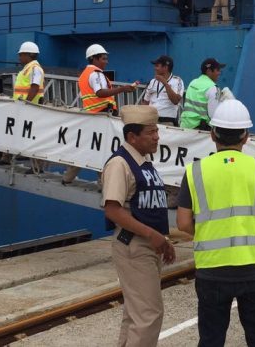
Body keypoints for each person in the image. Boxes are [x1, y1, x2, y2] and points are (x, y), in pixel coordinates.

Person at [176, 100, 255, 347]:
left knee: (211, 339)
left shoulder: (195, 171)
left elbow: (183, 223)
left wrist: (209, 231)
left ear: (212, 134)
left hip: (212, 268)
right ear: (246, 136)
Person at [102, 104, 176, 347]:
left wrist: (162, 240)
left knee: (135, 314)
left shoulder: (143, 163)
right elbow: (112, 209)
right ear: (132, 136)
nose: (157, 137)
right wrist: (152, 235)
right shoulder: (120, 164)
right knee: (148, 315)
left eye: (157, 131)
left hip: (146, 245)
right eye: (151, 132)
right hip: (134, 245)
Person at [63, 43, 136, 184]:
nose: (106, 61)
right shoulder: (96, 74)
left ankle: (68, 177)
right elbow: (100, 92)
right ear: (94, 58)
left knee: (89, 148)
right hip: (102, 116)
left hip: (92, 116)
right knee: (103, 150)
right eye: (103, 58)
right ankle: (103, 183)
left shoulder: (84, 74)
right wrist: (123, 89)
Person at [0, 41, 45, 171]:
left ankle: (37, 166)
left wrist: (26, 103)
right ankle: (6, 157)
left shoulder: (35, 69)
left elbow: (34, 87)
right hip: (21, 107)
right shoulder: (28, 68)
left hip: (30, 108)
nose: (19, 57)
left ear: (29, 55)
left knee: (32, 136)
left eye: (21, 54)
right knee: (12, 131)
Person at [181, 58, 226, 130]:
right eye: (217, 70)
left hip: (185, 126)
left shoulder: (193, 82)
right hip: (200, 130)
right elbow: (213, 115)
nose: (219, 73)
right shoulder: (213, 88)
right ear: (209, 71)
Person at [139, 55, 184, 126]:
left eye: (157, 66)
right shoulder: (152, 81)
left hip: (167, 122)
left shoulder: (177, 80)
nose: (155, 68)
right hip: (150, 120)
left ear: (165, 67)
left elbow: (175, 101)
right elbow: (145, 102)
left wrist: (165, 83)